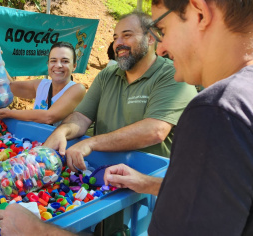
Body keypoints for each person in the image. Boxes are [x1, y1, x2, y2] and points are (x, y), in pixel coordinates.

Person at [105, 0, 253, 235]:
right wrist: (146, 183)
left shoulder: (216, 111)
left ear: (200, 14)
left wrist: (38, 230)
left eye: (162, 30)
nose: (161, 49)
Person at [44, 11, 197, 173]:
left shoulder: (173, 75)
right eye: (115, 38)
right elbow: (81, 117)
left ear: (151, 38)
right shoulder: (107, 75)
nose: (118, 43)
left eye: (127, 35)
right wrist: (63, 131)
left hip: (153, 182)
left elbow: (155, 130)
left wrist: (91, 143)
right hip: (102, 175)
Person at [0, 42, 86, 127]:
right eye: (53, 60)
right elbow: (10, 86)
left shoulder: (77, 89)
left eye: (65, 61)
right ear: (48, 64)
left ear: (74, 66)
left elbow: (48, 117)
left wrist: (10, 113)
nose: (58, 65)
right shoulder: (41, 85)